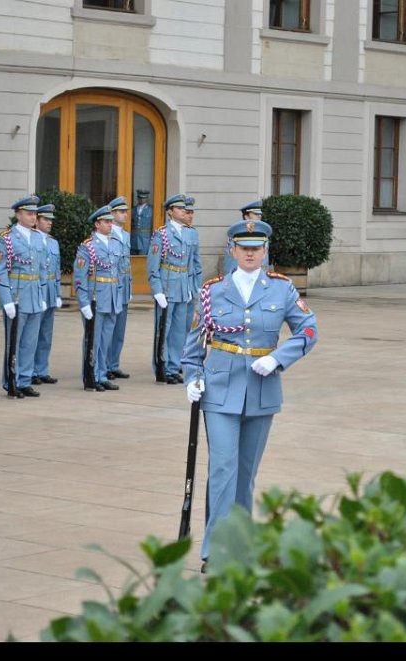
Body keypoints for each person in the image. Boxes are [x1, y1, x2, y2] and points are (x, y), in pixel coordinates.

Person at [183, 218, 317, 568]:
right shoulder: (213, 290)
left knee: (246, 472)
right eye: (244, 248)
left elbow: (308, 331)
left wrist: (277, 358)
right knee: (223, 468)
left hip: (261, 388)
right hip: (220, 387)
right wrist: (192, 376)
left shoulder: (281, 289)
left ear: (265, 251)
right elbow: (195, 342)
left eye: (256, 248)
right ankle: (216, 549)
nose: (250, 254)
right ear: (232, 250)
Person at [0, 195, 48, 398]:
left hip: (33, 294)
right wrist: (6, 299)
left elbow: (41, 269)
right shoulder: (6, 239)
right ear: (18, 215)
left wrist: (42, 293)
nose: (33, 217)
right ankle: (11, 380)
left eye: (34, 213)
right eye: (29, 213)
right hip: (16, 294)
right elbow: (0, 272)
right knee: (14, 341)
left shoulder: (37, 237)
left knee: (30, 341)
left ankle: (24, 380)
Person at [147, 193, 202, 384]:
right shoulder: (161, 234)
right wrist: (157, 290)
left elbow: (195, 264)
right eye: (178, 208)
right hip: (168, 286)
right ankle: (161, 366)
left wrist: (197, 288)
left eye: (183, 208)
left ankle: (174, 366)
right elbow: (153, 266)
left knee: (180, 329)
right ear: (170, 212)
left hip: (185, 287)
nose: (183, 211)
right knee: (164, 330)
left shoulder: (190, 233)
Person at [73, 205, 123, 391]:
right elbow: (80, 277)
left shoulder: (115, 244)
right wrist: (84, 303)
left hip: (111, 299)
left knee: (106, 340)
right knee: (93, 340)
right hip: (96, 299)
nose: (110, 224)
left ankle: (101, 375)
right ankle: (90, 375)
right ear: (97, 223)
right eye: (106, 221)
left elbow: (117, 273)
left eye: (111, 221)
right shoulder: (88, 247)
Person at [33, 203, 63, 385]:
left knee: (46, 334)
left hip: (50, 290)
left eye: (51, 220)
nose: (49, 223)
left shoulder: (53, 242)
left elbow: (56, 270)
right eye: (45, 219)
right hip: (36, 289)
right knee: (32, 334)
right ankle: (30, 371)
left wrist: (58, 293)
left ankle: (41, 369)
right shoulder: (33, 239)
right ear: (36, 221)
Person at [106, 195, 132, 380]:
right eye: (121, 212)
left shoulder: (126, 235)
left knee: (120, 329)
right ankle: (105, 365)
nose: (125, 215)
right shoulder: (108, 233)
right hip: (112, 286)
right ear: (112, 213)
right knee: (109, 327)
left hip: (124, 287)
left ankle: (114, 364)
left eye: (125, 212)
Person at [222, 200, 268, 275]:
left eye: (260, 214)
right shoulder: (237, 235)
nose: (259, 216)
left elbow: (264, 262)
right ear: (246, 216)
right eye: (256, 214)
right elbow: (231, 262)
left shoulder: (263, 234)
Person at [131, 189, 152, 255]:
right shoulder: (133, 209)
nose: (142, 200)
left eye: (144, 198)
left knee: (143, 258)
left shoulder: (150, 210)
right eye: (140, 198)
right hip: (134, 237)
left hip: (145, 238)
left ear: (147, 199)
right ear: (137, 198)